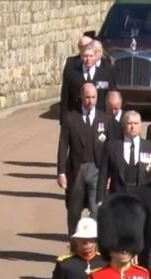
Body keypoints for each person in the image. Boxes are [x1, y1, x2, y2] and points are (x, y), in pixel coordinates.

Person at [57, 82, 112, 235]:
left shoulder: (105, 119)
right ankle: (74, 241)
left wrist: (109, 174)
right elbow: (63, 146)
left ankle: (92, 241)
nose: (90, 101)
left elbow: (109, 149)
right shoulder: (70, 118)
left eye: (93, 97)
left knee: (96, 208)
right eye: (87, 97)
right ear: (81, 97)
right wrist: (61, 172)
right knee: (74, 210)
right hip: (77, 170)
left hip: (97, 170)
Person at [97, 110, 151, 203]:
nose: (132, 127)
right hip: (118, 197)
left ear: (140, 125)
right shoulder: (112, 146)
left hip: (142, 197)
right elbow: (103, 174)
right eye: (129, 123)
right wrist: (100, 200)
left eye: (136, 123)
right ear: (123, 125)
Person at [60, 41, 117, 116]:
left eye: (91, 56)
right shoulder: (71, 72)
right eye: (85, 56)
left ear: (96, 56)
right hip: (76, 116)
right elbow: (65, 98)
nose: (88, 59)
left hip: (99, 116)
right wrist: (63, 118)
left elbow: (112, 96)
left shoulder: (106, 73)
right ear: (81, 56)